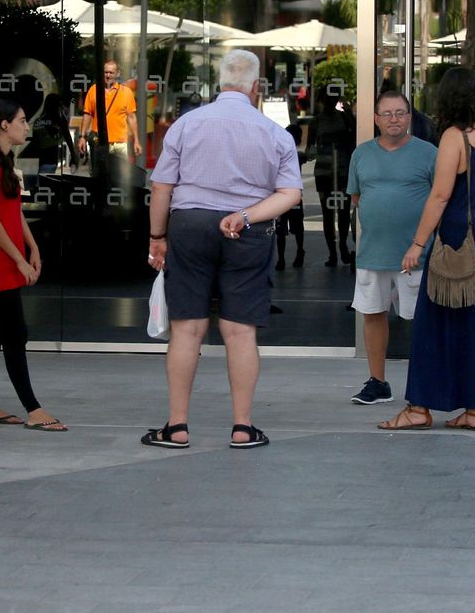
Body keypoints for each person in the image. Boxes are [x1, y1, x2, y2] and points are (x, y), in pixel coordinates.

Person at [143, 49, 302, 451]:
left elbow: (161, 187)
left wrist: (157, 237)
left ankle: (177, 426)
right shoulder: (274, 132)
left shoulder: (186, 124)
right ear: (256, 86)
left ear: (219, 82)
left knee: (187, 328)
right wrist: (246, 216)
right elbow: (290, 194)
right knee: (240, 330)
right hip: (246, 231)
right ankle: (242, 427)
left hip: (190, 224)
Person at [379, 66, 475, 432]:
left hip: (461, 237)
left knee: (435, 321)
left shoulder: (453, 136)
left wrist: (417, 243)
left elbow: (441, 195)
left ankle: (419, 407)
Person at [0, 99, 66, 432]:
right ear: (4, 125)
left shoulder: (5, 162)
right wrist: (19, 258)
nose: (27, 126)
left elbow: (13, 213)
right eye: (23, 120)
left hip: (7, 257)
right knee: (14, 333)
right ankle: (33, 408)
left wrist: (33, 246)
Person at [345, 90, 438, 405]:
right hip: (373, 251)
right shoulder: (361, 154)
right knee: (373, 314)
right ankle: (377, 381)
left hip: (417, 254)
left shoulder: (428, 153)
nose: (394, 119)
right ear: (375, 119)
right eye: (387, 113)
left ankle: (426, 383)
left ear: (410, 117)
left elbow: (441, 199)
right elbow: (356, 197)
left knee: (423, 320)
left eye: (400, 113)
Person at [308, 90, 356, 266]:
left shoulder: (344, 118)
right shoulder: (316, 121)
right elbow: (310, 147)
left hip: (341, 169)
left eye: (332, 98)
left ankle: (341, 245)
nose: (329, 102)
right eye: (327, 99)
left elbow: (357, 136)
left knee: (342, 211)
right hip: (325, 171)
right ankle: (333, 252)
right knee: (328, 213)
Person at [76, 60, 141, 163]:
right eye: (106, 72)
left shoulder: (126, 92)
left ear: (117, 73)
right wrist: (82, 136)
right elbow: (87, 114)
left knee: (119, 177)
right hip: (99, 143)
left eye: (111, 73)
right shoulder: (94, 90)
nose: (108, 75)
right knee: (99, 176)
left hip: (120, 144)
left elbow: (131, 117)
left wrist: (136, 140)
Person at [275, 122, 307, 270]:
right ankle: (299, 251)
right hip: (294, 195)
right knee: (297, 227)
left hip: (281, 195)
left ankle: (281, 258)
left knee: (281, 228)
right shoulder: (299, 155)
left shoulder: (279, 153)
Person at [28, 92, 76, 182]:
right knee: (45, 186)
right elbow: (68, 138)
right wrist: (74, 157)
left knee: (36, 187)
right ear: (57, 105)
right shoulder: (59, 120)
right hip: (50, 160)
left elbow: (34, 141)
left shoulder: (38, 121)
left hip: (35, 161)